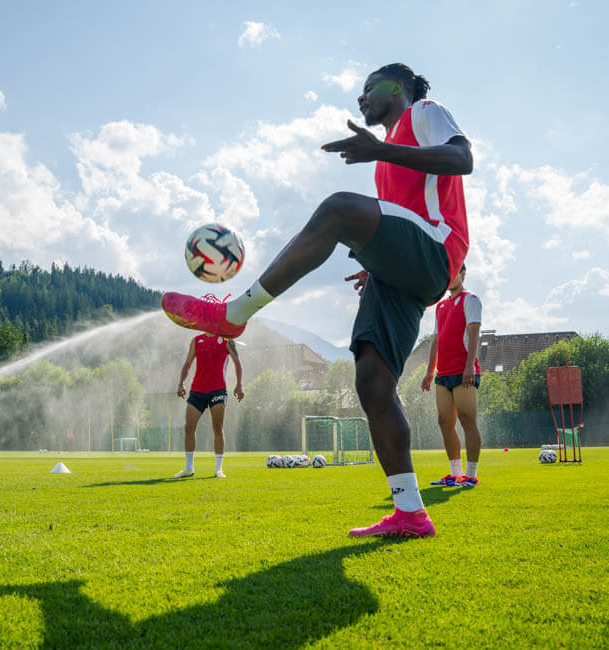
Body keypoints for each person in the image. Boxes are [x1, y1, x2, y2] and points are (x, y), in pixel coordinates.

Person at [161, 63, 472, 538]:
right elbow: (405, 213)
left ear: (398, 87)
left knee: (337, 209)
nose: (361, 100)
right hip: (405, 270)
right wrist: (379, 259)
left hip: (436, 249)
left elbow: (462, 158)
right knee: (372, 382)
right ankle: (410, 512)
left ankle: (235, 314)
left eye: (368, 90)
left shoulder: (425, 111)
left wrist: (380, 150)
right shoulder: (387, 162)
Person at [421, 264, 483, 488]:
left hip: (464, 371)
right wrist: (430, 371)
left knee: (467, 420)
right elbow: (436, 340)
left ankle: (471, 475)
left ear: (463, 273)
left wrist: (469, 367)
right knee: (445, 422)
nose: (449, 278)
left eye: (454, 272)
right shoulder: (440, 306)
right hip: (443, 373)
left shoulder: (471, 299)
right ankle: (455, 474)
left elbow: (474, 335)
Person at [172, 330, 244, 479]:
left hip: (218, 390)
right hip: (197, 390)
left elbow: (238, 363)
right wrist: (181, 383)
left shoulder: (227, 340)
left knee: (217, 428)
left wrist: (239, 385)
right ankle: (188, 468)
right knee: (189, 427)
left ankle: (218, 469)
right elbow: (187, 364)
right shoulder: (196, 340)